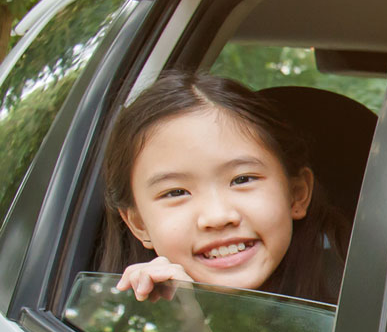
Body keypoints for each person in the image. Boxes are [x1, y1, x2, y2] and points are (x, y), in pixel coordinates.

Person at [100, 70, 346, 303]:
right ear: (139, 224)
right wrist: (174, 316)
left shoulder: (362, 298)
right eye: (175, 192)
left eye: (242, 179)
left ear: (296, 194)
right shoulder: (128, 320)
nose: (217, 217)